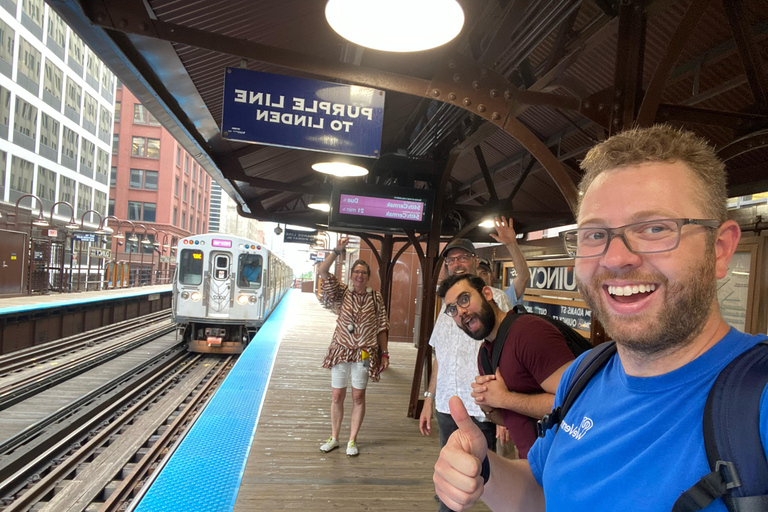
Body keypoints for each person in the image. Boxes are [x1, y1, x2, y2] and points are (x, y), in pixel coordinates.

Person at [432, 125, 767, 512]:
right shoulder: (585, 373)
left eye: (655, 228)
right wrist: (483, 469)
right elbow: (542, 494)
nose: (615, 257)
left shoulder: (756, 405)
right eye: (594, 234)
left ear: (720, 250)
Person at [420, 217, 528, 512]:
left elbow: (522, 280)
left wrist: (511, 244)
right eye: (451, 260)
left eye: (462, 257)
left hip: (482, 408)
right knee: (453, 475)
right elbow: (439, 357)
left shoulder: (495, 300)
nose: (456, 263)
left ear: (474, 260)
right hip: (446, 405)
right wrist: (428, 400)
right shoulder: (445, 309)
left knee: (490, 480)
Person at [436, 273, 574, 459]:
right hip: (534, 468)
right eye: (452, 309)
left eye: (464, 299)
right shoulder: (485, 354)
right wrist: (488, 405)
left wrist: (503, 398)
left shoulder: (529, 332)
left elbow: (575, 401)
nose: (460, 311)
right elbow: (514, 418)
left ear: (487, 294)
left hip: (568, 464)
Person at [318, 237, 390, 457]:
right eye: (356, 272)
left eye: (364, 273)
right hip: (341, 350)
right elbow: (323, 272)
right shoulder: (342, 292)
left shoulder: (376, 298)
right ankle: (334, 437)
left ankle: (352, 440)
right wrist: (336, 251)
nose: (360, 275)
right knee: (337, 395)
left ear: (368, 277)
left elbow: (382, 326)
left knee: (358, 396)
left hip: (365, 352)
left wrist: (385, 353)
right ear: (351, 275)